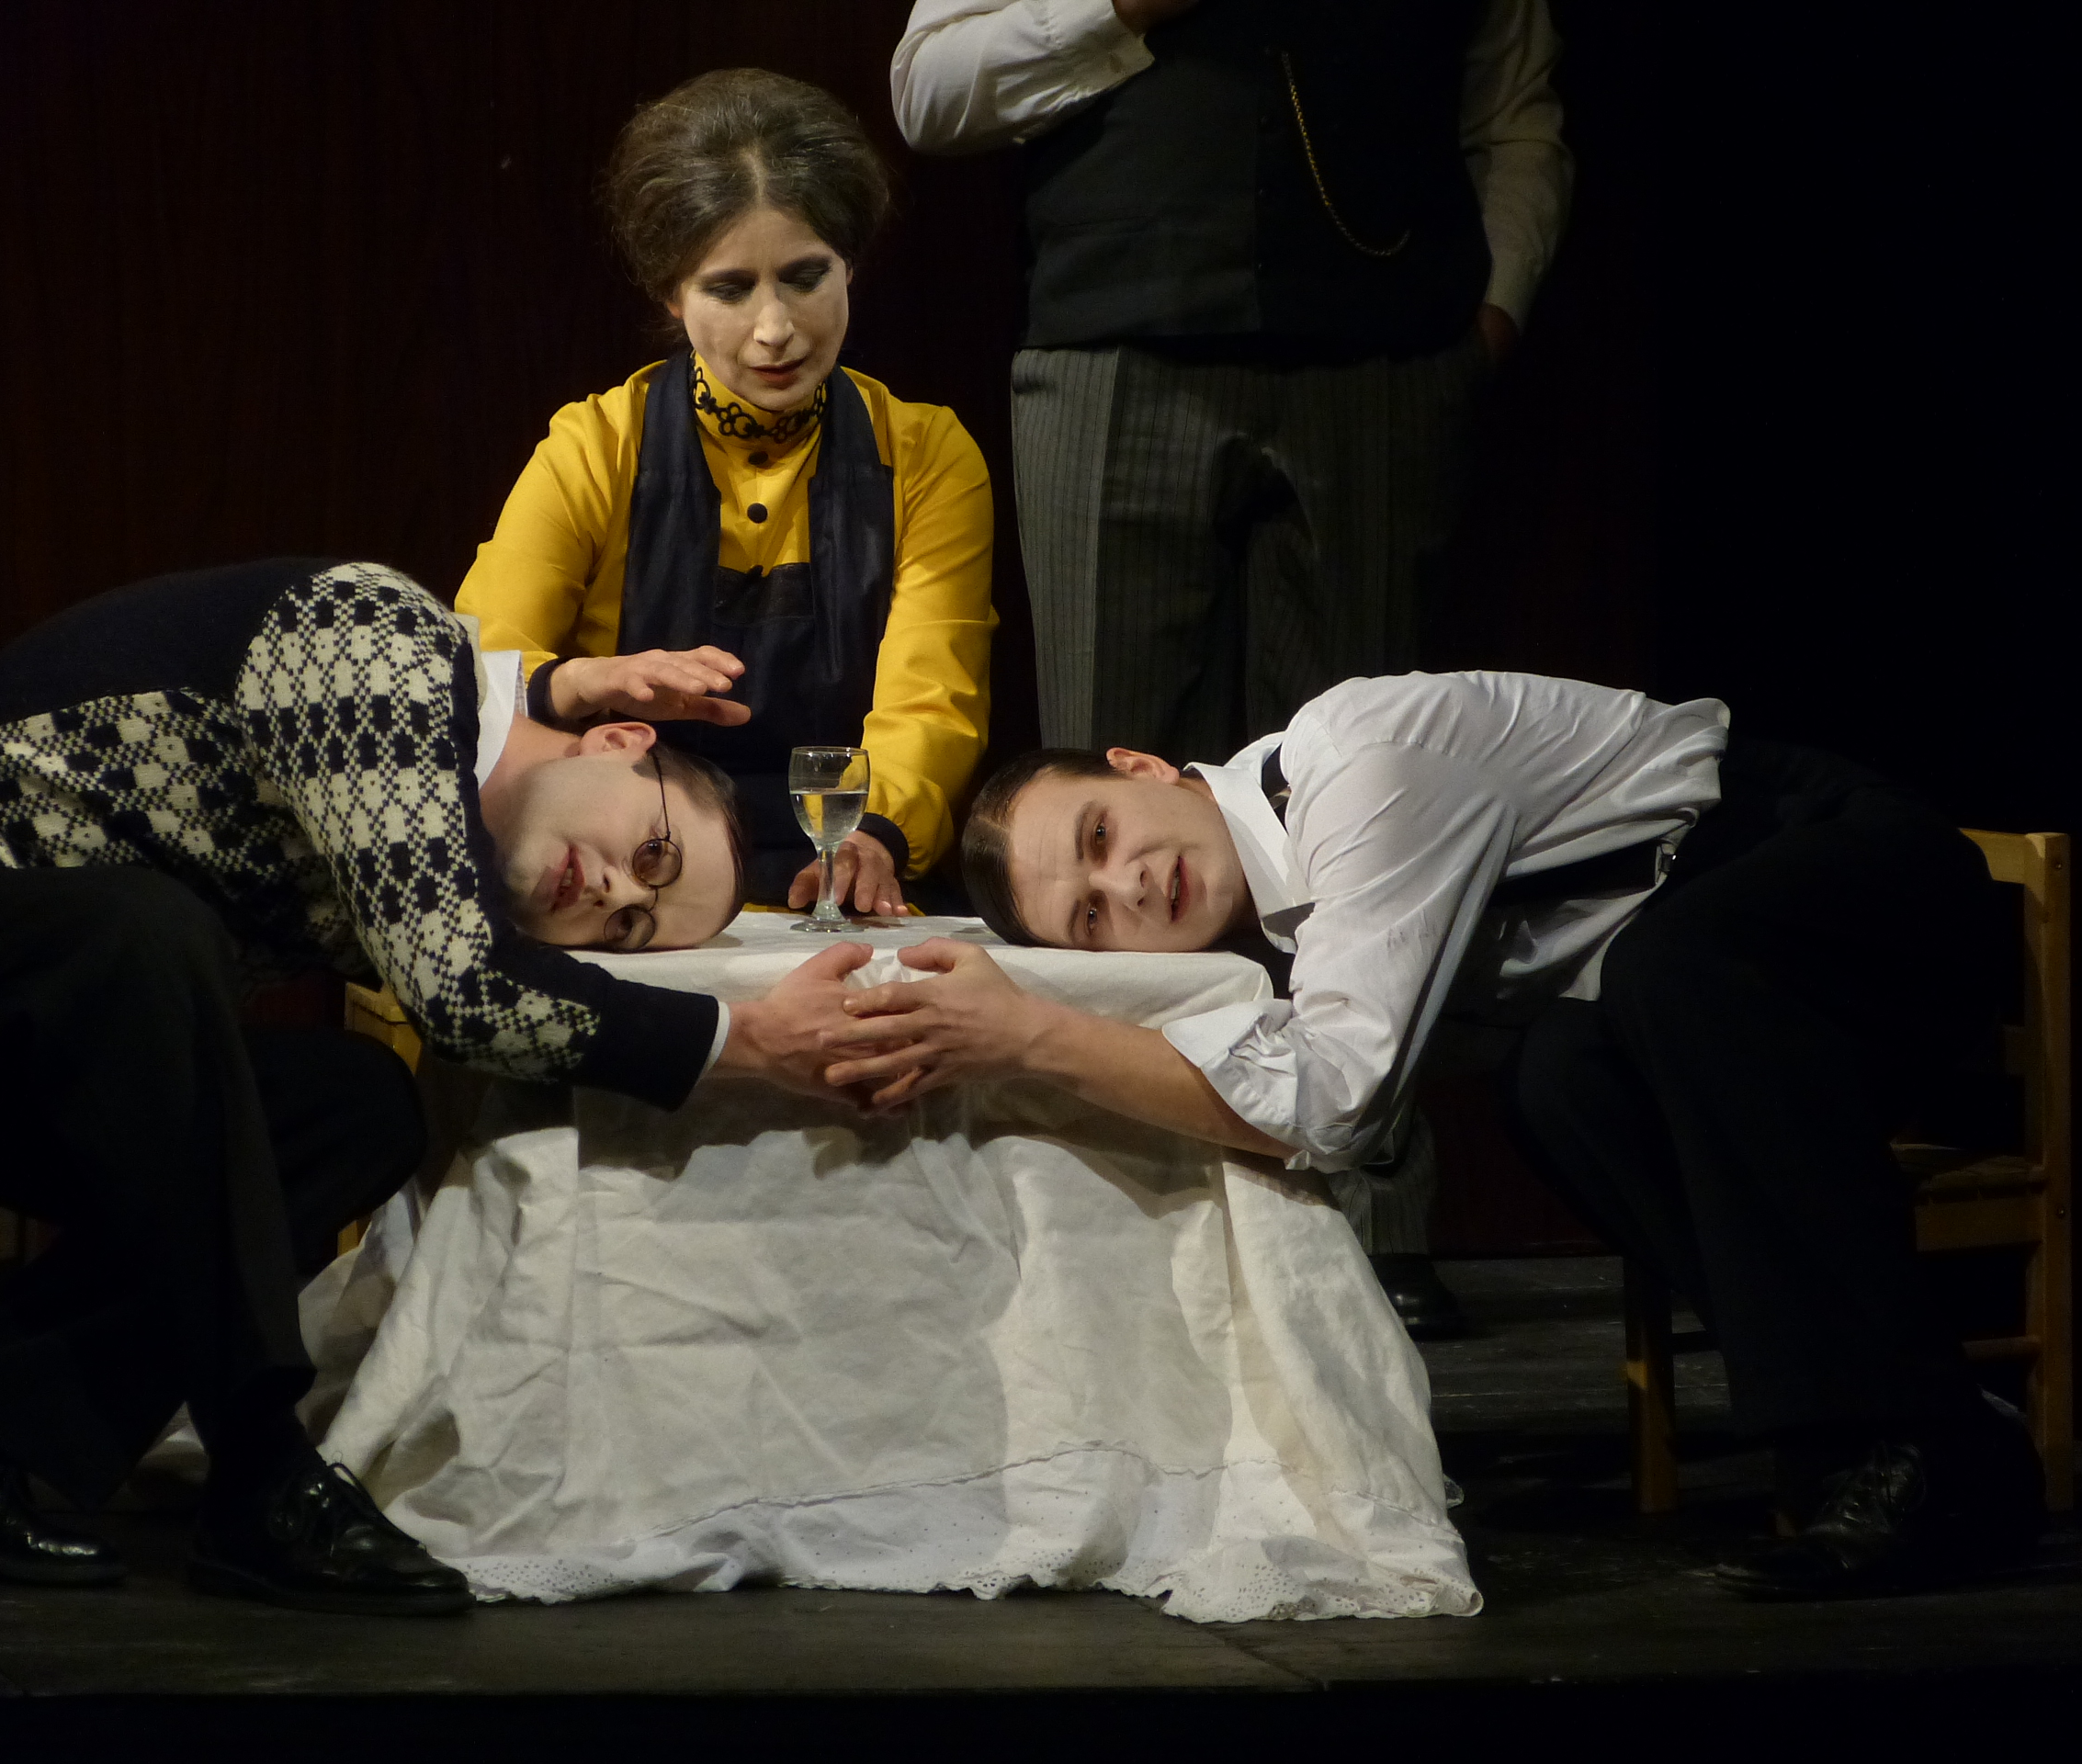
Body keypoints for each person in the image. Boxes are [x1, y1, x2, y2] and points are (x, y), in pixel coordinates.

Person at [0, 558, 866, 1615]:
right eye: (651, 853)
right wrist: (747, 1040)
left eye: (629, 926)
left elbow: (471, 930)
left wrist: (552, 696)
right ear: (617, 737)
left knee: (350, 1106)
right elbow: (463, 991)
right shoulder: (376, 636)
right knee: (140, 930)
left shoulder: (442, 809)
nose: (612, 891)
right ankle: (263, 1472)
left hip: (13, 1066)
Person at [819, 669, 2050, 1598]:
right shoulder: (1278, 918)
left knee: (1667, 981)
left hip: (1860, 877)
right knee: (1558, 1081)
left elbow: (1334, 1107)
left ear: (1143, 768)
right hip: (1714, 984)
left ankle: (1913, 1439)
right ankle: (1896, 1436)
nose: (1130, 883)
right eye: (1091, 917)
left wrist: (1028, 1035)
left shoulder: (1360, 774)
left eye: (1101, 836)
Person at [892, 0, 1572, 1330]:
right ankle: (1119, 1225)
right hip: (1113, 349)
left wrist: (1493, 312)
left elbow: (1514, 110)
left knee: (1370, 826)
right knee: (1101, 839)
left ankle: (1376, 1232)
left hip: (1381, 356)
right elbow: (930, 88)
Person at [459, 68, 997, 914]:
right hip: (624, 877)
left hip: (846, 872)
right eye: (730, 288)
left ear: (851, 265)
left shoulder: (928, 456)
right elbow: (472, 683)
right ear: (670, 293)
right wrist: (582, 683)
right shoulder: (596, 446)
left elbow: (934, 701)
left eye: (806, 276)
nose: (775, 328)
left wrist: (873, 839)